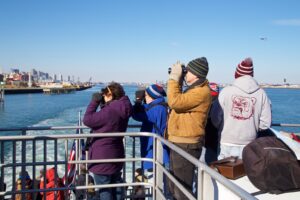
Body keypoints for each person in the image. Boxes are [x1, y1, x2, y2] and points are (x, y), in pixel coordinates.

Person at [167, 57, 212, 200]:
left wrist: (174, 78)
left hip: (187, 143)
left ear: (196, 73)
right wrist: (179, 82)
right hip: (180, 142)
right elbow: (179, 99)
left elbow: (174, 102)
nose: (185, 73)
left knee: (182, 190)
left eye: (188, 71)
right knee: (175, 185)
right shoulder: (194, 89)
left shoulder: (201, 92)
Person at [83, 82, 132, 200]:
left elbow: (87, 120)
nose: (103, 96)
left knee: (104, 190)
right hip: (116, 155)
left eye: (104, 94)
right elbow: (107, 122)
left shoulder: (110, 111)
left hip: (103, 158)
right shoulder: (124, 107)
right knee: (116, 186)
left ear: (110, 95)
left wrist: (94, 102)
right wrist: (105, 105)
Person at [216, 57, 272, 159]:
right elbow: (265, 124)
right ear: (251, 75)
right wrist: (252, 127)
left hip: (227, 141)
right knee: (247, 172)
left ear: (237, 74)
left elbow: (216, 117)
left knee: (224, 172)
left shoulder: (226, 91)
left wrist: (225, 127)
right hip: (250, 143)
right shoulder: (261, 94)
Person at [131, 84, 169, 196]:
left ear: (152, 96)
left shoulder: (156, 109)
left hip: (154, 150)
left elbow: (136, 116)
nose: (144, 97)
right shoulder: (161, 106)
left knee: (155, 182)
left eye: (146, 95)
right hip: (159, 149)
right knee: (159, 180)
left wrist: (138, 101)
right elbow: (144, 110)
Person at [204, 82, 221, 164]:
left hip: (209, 140)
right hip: (219, 139)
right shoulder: (221, 102)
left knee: (210, 162)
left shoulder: (206, 103)